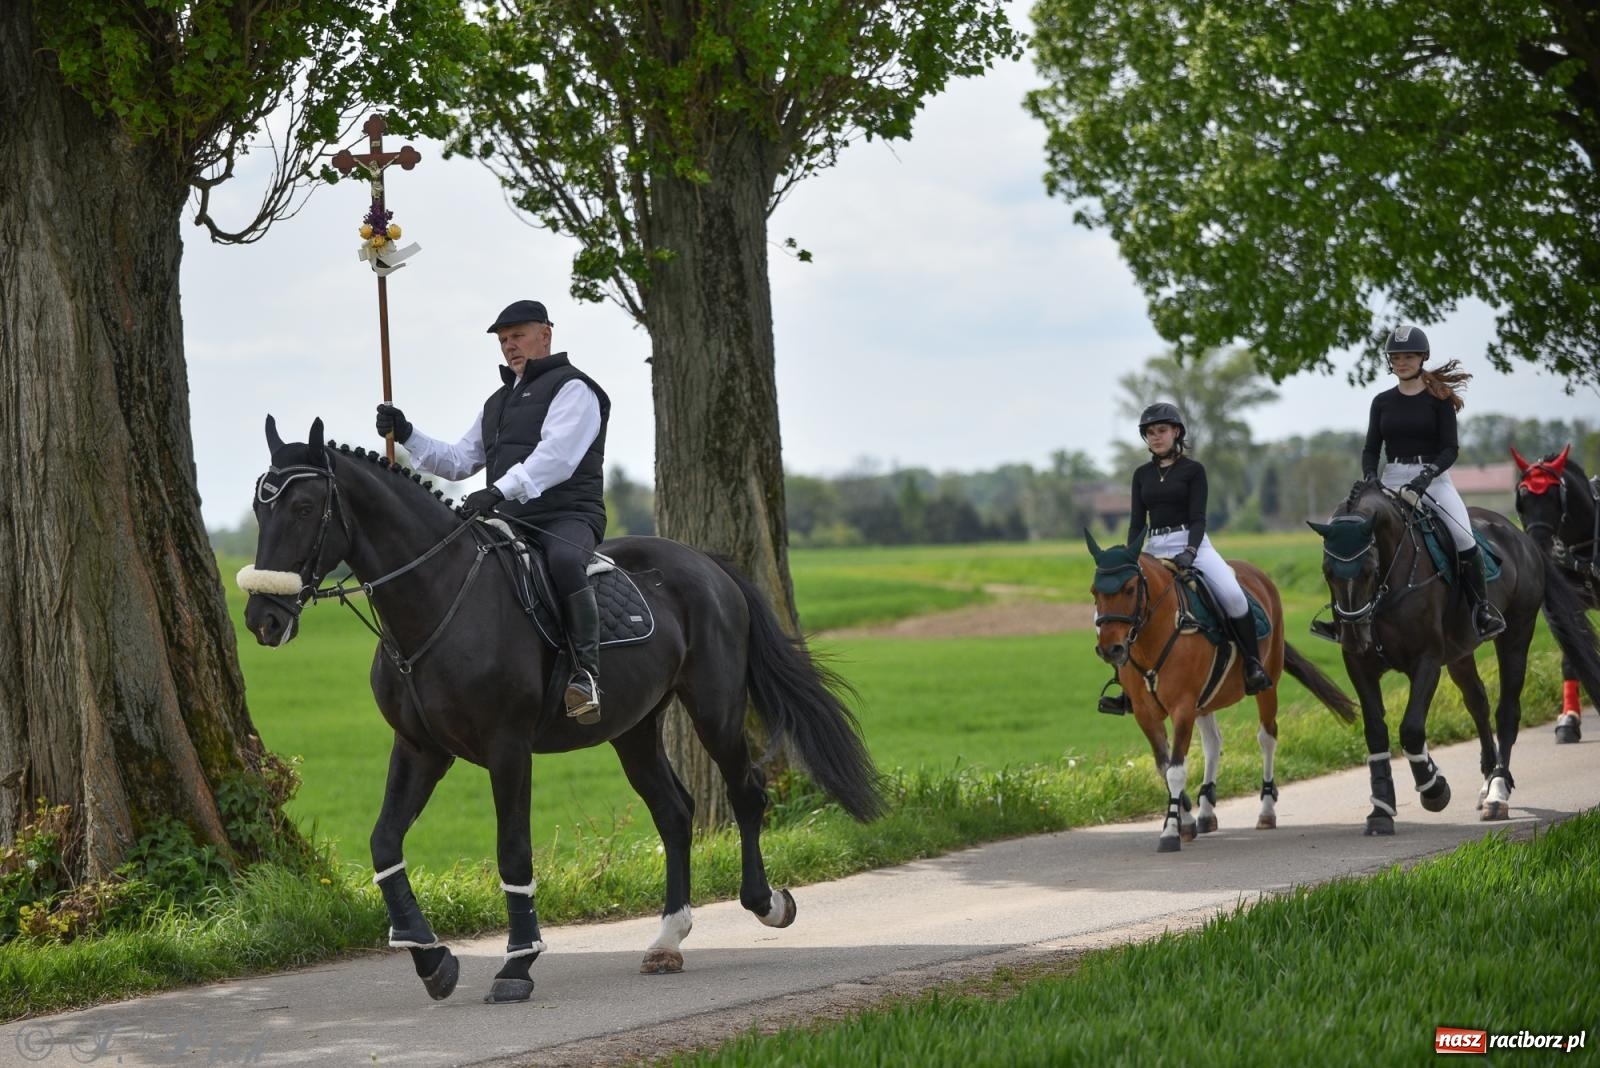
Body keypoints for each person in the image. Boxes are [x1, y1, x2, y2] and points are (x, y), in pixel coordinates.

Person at [375, 299, 612, 723]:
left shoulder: (575, 389)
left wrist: (498, 490)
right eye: (503, 341)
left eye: (517, 336)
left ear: (545, 334)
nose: (509, 346)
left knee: (563, 562)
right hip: (511, 520)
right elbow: (458, 461)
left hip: (568, 516)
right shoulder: (497, 402)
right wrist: (407, 434)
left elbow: (557, 457)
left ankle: (586, 675)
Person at [1352, 324, 1504, 640]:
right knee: (1353, 536)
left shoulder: (1440, 399)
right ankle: (1348, 618)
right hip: (1391, 479)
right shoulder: (1382, 401)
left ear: (1423, 357)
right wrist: (1370, 478)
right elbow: (1371, 449)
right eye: (1396, 357)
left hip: (1433, 480)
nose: (1402, 362)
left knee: (1463, 537)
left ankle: (1481, 611)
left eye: (1409, 356)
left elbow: (1450, 449)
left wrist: (1426, 476)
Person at [1126, 402, 1272, 694]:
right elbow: (1136, 523)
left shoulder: (1193, 470)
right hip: (1154, 547)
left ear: (1176, 432)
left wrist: (1191, 552)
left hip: (1192, 543)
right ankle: (1125, 685)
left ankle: (1252, 665)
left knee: (1233, 595)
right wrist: (1130, 556)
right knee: (1125, 605)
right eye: (1150, 432)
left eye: (1162, 430)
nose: (1156, 437)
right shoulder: (1141, 475)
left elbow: (1198, 519)